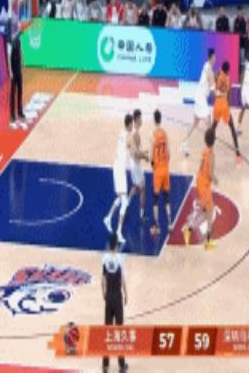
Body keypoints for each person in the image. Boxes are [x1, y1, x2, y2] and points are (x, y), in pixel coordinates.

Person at [183, 128, 218, 250]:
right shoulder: (211, 155)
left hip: (200, 180)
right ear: (214, 140)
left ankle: (195, 232)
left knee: (207, 212)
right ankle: (197, 234)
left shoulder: (204, 151)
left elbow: (200, 167)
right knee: (210, 211)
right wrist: (216, 180)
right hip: (205, 185)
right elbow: (210, 173)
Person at [104, 114, 134, 244]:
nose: (133, 126)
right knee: (125, 201)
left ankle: (108, 218)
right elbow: (133, 151)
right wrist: (144, 155)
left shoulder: (121, 133)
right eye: (132, 124)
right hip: (120, 169)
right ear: (129, 124)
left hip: (117, 167)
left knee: (120, 198)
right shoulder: (128, 135)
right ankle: (119, 232)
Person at [102, 233, 128, 373]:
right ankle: (121, 364)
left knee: (107, 331)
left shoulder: (105, 258)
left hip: (109, 296)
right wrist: (126, 294)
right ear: (117, 245)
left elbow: (103, 278)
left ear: (109, 244)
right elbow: (122, 279)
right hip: (117, 296)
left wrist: (103, 293)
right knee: (119, 330)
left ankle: (105, 364)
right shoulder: (120, 259)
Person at [181, 48, 216, 155]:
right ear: (212, 57)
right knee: (209, 123)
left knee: (195, 123)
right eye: (214, 56)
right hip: (200, 98)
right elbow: (213, 88)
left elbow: (210, 83)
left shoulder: (206, 66)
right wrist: (220, 94)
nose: (215, 59)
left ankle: (184, 143)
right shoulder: (209, 70)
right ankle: (209, 148)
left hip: (198, 95)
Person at [212, 61, 242, 164]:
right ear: (228, 70)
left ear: (222, 68)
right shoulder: (229, 79)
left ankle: (209, 147)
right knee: (232, 128)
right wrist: (228, 106)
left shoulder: (218, 75)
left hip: (217, 103)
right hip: (224, 104)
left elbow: (214, 82)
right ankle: (237, 153)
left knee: (213, 127)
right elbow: (229, 95)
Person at [151, 109, 172, 234]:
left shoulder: (153, 135)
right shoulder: (165, 134)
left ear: (154, 120)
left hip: (158, 170)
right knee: (167, 197)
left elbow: (151, 157)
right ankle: (170, 223)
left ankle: (156, 226)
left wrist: (153, 165)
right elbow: (169, 154)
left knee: (155, 198)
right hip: (165, 169)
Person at [129, 109, 149, 224]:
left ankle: (126, 203)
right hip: (136, 165)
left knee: (136, 186)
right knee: (143, 190)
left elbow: (136, 151)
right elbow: (136, 154)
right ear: (137, 119)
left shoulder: (134, 132)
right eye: (141, 118)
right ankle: (141, 215)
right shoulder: (136, 134)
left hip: (133, 163)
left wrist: (143, 152)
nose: (142, 120)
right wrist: (145, 157)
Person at [8, 32, 26, 130]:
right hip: (13, 71)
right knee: (12, 94)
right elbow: (8, 57)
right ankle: (12, 115)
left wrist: (22, 61)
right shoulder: (10, 43)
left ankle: (20, 112)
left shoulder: (19, 40)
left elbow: (21, 50)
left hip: (18, 70)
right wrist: (10, 72)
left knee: (20, 92)